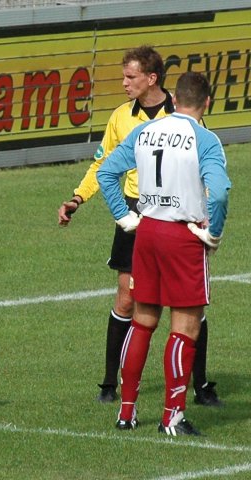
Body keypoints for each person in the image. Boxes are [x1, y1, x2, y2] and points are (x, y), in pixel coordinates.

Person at [57, 45, 221, 406]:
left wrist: (205, 213)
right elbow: (103, 165)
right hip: (136, 214)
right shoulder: (120, 117)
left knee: (189, 306)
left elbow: (202, 168)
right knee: (129, 298)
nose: (124, 83)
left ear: (152, 78)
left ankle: (201, 385)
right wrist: (77, 198)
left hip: (176, 214)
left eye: (130, 77)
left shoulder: (184, 115)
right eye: (123, 77)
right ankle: (109, 384)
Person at [97, 71, 230, 435]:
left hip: (148, 233)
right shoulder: (205, 139)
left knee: (142, 322)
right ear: (206, 103)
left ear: (173, 98)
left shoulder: (144, 130)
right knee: (185, 327)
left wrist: (124, 216)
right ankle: (172, 416)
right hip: (183, 236)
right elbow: (217, 194)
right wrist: (213, 233)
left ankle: (126, 412)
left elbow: (107, 171)